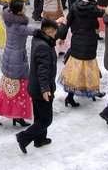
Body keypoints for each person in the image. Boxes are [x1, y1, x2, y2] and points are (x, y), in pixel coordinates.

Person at [15, 17, 68, 153]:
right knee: (46, 119)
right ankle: (24, 137)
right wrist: (45, 89)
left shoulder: (39, 37)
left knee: (39, 116)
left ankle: (40, 140)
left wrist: (63, 22)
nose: (54, 35)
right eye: (52, 32)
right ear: (47, 31)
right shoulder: (44, 47)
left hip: (35, 86)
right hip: (41, 89)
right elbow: (42, 70)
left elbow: (59, 30)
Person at [0, 0, 42, 127]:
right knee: (20, 88)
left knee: (6, 85)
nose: (26, 8)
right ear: (19, 11)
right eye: (24, 7)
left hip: (9, 55)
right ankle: (17, 115)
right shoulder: (19, 26)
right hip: (17, 59)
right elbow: (36, 31)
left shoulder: (9, 18)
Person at [58, 0, 106, 107]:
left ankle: (73, 95)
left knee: (77, 69)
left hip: (77, 39)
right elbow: (105, 13)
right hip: (89, 41)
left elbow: (68, 21)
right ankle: (90, 91)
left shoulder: (75, 6)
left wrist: (63, 37)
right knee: (88, 68)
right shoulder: (94, 9)